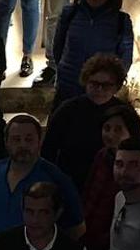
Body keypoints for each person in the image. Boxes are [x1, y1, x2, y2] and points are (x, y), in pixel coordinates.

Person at [82, 105, 140, 250]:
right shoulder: (103, 155)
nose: (110, 134)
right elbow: (90, 189)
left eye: (118, 129)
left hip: (115, 244)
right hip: (90, 234)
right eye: (107, 128)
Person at [0, 114, 85, 240]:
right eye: (16, 139)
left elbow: (77, 228)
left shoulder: (57, 178)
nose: (23, 145)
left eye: (29, 139)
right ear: (6, 142)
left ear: (40, 141)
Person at [42, 53, 130, 188]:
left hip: (109, 184)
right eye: (94, 84)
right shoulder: (68, 110)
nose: (99, 89)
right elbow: (49, 150)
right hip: (70, 182)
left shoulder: (125, 114)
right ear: (86, 82)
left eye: (106, 85)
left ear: (116, 86)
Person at [51, 0, 134, 107]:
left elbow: (125, 58)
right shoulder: (70, 14)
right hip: (68, 86)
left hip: (100, 91)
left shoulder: (121, 21)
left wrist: (110, 85)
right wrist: (63, 71)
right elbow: (58, 47)